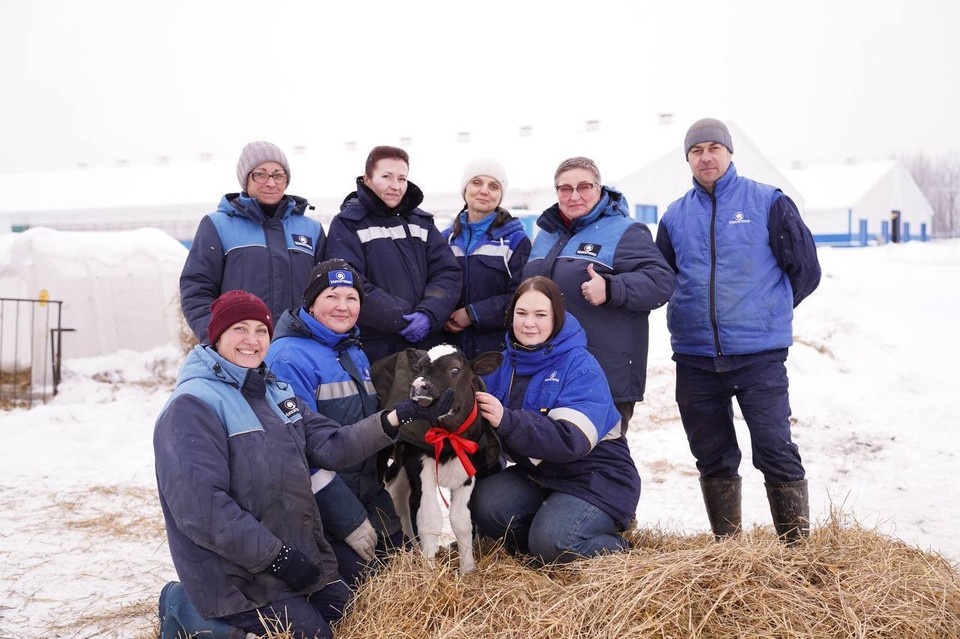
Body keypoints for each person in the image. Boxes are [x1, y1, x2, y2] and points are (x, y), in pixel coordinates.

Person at [154, 290, 453, 639]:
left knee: (353, 612)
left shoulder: (273, 391)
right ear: (217, 335)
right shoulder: (193, 406)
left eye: (261, 330)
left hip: (289, 555)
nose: (252, 340)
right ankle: (188, 612)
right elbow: (203, 512)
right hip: (234, 573)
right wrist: (276, 558)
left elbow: (332, 445)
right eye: (239, 329)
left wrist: (399, 416)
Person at [655, 117, 822, 544]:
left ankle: (796, 553)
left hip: (758, 358)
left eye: (714, 147)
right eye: (696, 150)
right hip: (694, 358)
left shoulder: (768, 201)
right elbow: (663, 278)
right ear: (688, 159)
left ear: (730, 152)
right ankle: (729, 552)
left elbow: (805, 270)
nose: (706, 156)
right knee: (712, 456)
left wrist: (765, 312)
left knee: (775, 450)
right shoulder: (674, 216)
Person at [471, 276, 640, 564]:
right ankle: (545, 543)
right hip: (542, 476)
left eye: (540, 315)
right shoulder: (500, 364)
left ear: (557, 318)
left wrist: (507, 420)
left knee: (554, 541)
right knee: (485, 504)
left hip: (596, 478)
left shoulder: (580, 364)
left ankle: (612, 548)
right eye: (521, 314)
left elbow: (570, 440)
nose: (529, 324)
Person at [264, 258, 403, 586]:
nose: (343, 307)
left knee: (403, 567)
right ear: (311, 302)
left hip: (365, 490)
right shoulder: (287, 358)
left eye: (351, 298)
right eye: (332, 296)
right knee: (363, 588)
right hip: (318, 510)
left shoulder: (352, 350)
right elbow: (295, 454)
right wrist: (349, 521)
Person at [522, 157, 676, 432]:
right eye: (565, 188)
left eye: (584, 186)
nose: (574, 195)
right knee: (552, 461)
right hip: (550, 371)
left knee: (601, 464)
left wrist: (612, 288)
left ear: (599, 189)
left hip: (604, 373)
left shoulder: (625, 231)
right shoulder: (545, 236)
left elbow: (661, 281)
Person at [323, 145, 461, 363]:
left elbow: (447, 272)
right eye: (386, 177)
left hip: (428, 346)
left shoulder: (421, 223)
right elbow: (349, 282)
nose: (395, 186)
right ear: (367, 179)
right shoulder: (348, 224)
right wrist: (401, 317)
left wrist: (428, 313)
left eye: (402, 178)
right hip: (375, 350)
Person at [180, 140, 325, 343]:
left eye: (278, 174)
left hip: (299, 349)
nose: (270, 182)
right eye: (260, 174)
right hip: (242, 350)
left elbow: (326, 292)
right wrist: (217, 337)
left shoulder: (311, 230)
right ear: (245, 179)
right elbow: (197, 289)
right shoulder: (218, 225)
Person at [440, 158, 531, 358]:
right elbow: (433, 284)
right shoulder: (445, 239)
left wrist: (473, 314)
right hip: (449, 348)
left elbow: (521, 296)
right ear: (465, 188)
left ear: (500, 195)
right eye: (476, 182)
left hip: (495, 351)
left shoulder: (515, 241)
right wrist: (441, 312)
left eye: (493, 186)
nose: (484, 191)